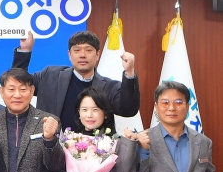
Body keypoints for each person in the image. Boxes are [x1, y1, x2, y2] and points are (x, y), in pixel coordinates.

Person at [11, 30, 140, 132]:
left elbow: (128, 110)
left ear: (97, 55)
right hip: (50, 150)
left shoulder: (109, 87)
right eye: (77, 50)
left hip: (94, 154)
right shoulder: (49, 76)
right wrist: (25, 50)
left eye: (88, 50)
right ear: (69, 54)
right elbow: (18, 83)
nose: (82, 55)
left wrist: (129, 73)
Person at [54, 87, 139, 172]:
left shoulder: (115, 143)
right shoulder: (69, 141)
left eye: (95, 109)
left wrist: (129, 143)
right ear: (78, 113)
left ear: (105, 113)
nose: (89, 115)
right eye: (84, 110)